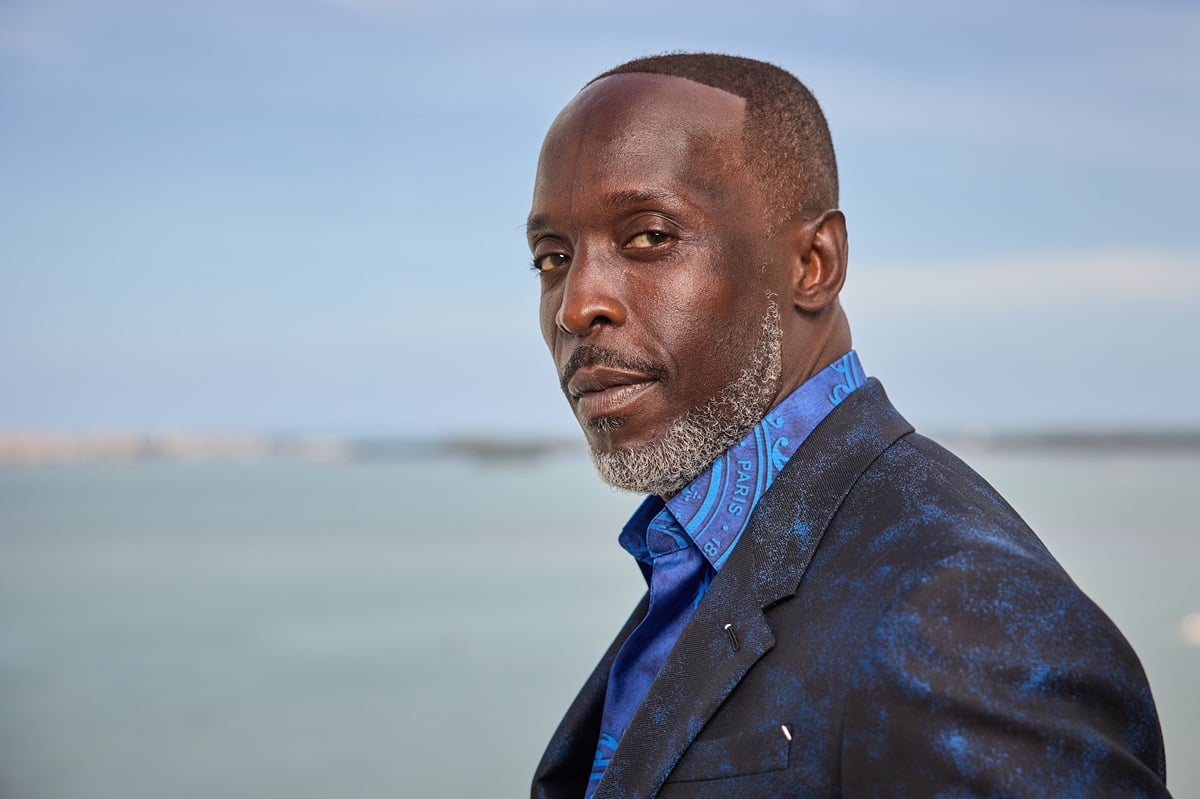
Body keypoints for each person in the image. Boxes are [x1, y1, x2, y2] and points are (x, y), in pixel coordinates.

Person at [526, 53, 1170, 799]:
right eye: (552, 256)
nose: (576, 306)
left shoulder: (956, 610)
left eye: (648, 237)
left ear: (813, 263)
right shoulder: (706, 555)